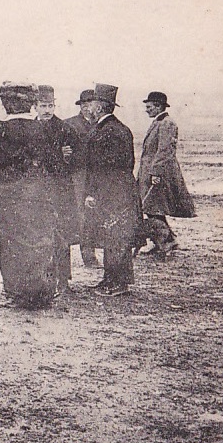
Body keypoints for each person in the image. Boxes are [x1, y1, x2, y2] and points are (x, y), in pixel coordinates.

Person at [0, 82, 58, 308]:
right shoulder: (45, 129)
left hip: (9, 195)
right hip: (40, 194)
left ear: (5, 104)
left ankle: (17, 292)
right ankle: (42, 291)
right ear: (31, 103)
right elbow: (55, 161)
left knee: (12, 243)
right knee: (40, 240)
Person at [82, 83, 141, 296]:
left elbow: (106, 167)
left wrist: (93, 192)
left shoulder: (111, 131)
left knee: (116, 236)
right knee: (112, 236)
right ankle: (111, 279)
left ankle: (117, 283)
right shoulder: (112, 128)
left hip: (114, 193)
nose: (89, 108)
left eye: (93, 103)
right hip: (117, 190)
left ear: (101, 106)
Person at [136, 91, 196, 258]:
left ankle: (166, 243)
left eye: (149, 107)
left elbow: (164, 151)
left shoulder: (167, 123)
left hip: (158, 174)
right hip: (150, 173)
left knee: (153, 208)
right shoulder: (159, 122)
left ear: (158, 106)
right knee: (153, 209)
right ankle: (163, 241)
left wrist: (156, 173)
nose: (146, 110)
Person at [35, 85, 82, 293]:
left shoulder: (64, 129)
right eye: (43, 105)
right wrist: (56, 154)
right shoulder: (29, 128)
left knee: (61, 235)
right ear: (35, 106)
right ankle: (43, 278)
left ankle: (63, 280)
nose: (47, 110)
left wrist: (67, 158)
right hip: (36, 191)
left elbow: (79, 159)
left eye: (50, 105)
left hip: (59, 190)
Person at [65, 89, 100, 268]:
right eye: (84, 105)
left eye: (91, 104)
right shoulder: (70, 124)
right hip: (77, 175)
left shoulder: (101, 124)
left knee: (93, 213)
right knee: (79, 213)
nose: (88, 108)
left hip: (96, 175)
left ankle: (90, 252)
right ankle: (86, 255)